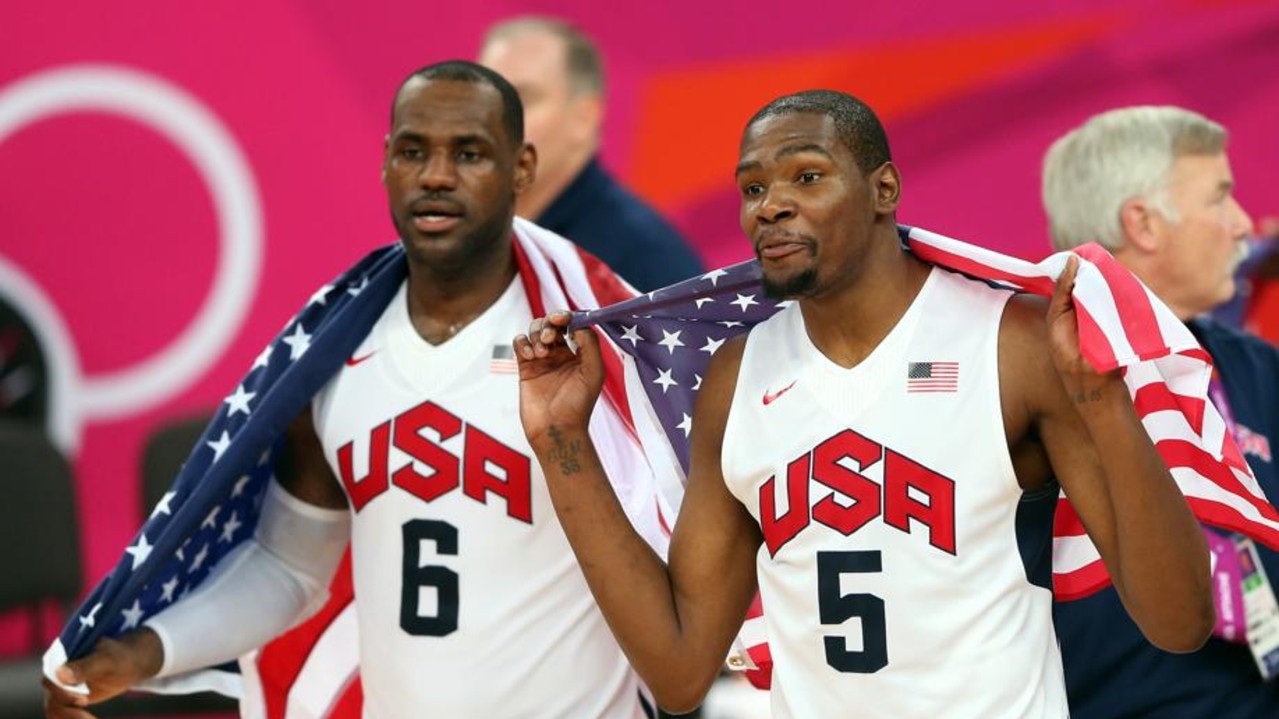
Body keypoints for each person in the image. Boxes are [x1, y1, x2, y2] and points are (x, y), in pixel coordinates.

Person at [511, 90, 1215, 718]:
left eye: (806, 175)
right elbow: (679, 669)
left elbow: (1178, 621)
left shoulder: (1011, 344)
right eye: (752, 187)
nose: (770, 204)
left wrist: (1100, 399)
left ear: (883, 189)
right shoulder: (735, 378)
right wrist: (560, 442)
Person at [42, 60, 665, 719]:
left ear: (521, 168)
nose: (436, 175)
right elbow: (289, 570)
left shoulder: (591, 346)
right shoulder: (333, 352)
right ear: (386, 163)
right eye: (413, 150)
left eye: (470, 153)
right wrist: (140, 652)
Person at [1043, 105, 1279, 718]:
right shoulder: (1025, 371)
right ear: (1143, 224)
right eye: (1220, 198)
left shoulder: (1258, 367)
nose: (1241, 225)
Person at [478, 16, 705, 292]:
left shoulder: (647, 262)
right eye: (483, 96)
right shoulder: (463, 238)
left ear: (584, 118)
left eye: (522, 98)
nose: (493, 117)